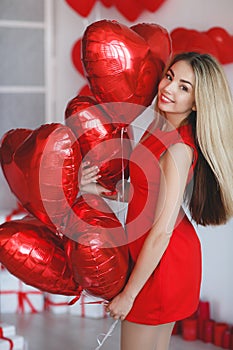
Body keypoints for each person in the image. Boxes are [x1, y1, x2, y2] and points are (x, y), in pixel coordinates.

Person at [80, 52, 233, 350]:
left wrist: (129, 294)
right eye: (170, 77)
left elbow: (162, 231)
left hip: (163, 263)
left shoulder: (178, 149)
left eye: (184, 88)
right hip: (150, 254)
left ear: (198, 102)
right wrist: (100, 190)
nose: (169, 88)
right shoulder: (159, 126)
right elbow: (142, 191)